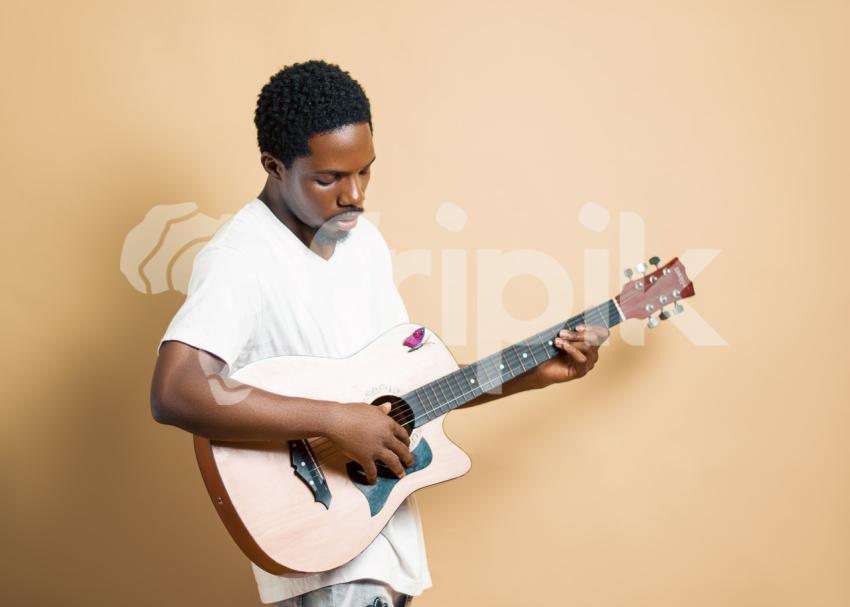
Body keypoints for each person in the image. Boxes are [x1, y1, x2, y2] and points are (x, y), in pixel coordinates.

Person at [150, 59, 608, 607]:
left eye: (365, 171)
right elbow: (175, 390)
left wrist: (535, 374)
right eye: (329, 178)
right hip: (323, 549)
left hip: (385, 542)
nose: (355, 195)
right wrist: (334, 421)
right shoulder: (240, 259)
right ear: (274, 165)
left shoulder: (361, 243)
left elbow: (403, 399)